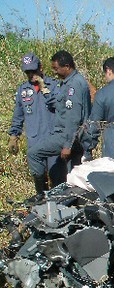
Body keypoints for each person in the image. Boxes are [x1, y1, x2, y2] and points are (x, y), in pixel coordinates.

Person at [26, 50, 91, 198]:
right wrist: (43, 87)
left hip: (68, 135)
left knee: (33, 153)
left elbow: (73, 118)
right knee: (73, 177)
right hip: (74, 136)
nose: (55, 72)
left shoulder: (74, 85)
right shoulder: (69, 83)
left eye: (56, 68)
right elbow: (58, 103)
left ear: (67, 66)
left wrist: (67, 145)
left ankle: (41, 193)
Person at [8, 52, 59, 194]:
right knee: (38, 175)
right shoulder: (23, 90)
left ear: (40, 68)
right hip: (34, 140)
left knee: (57, 177)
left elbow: (59, 106)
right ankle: (41, 202)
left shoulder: (54, 85)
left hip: (52, 138)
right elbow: (18, 115)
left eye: (33, 70)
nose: (31, 75)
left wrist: (44, 88)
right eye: (27, 72)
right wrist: (14, 136)